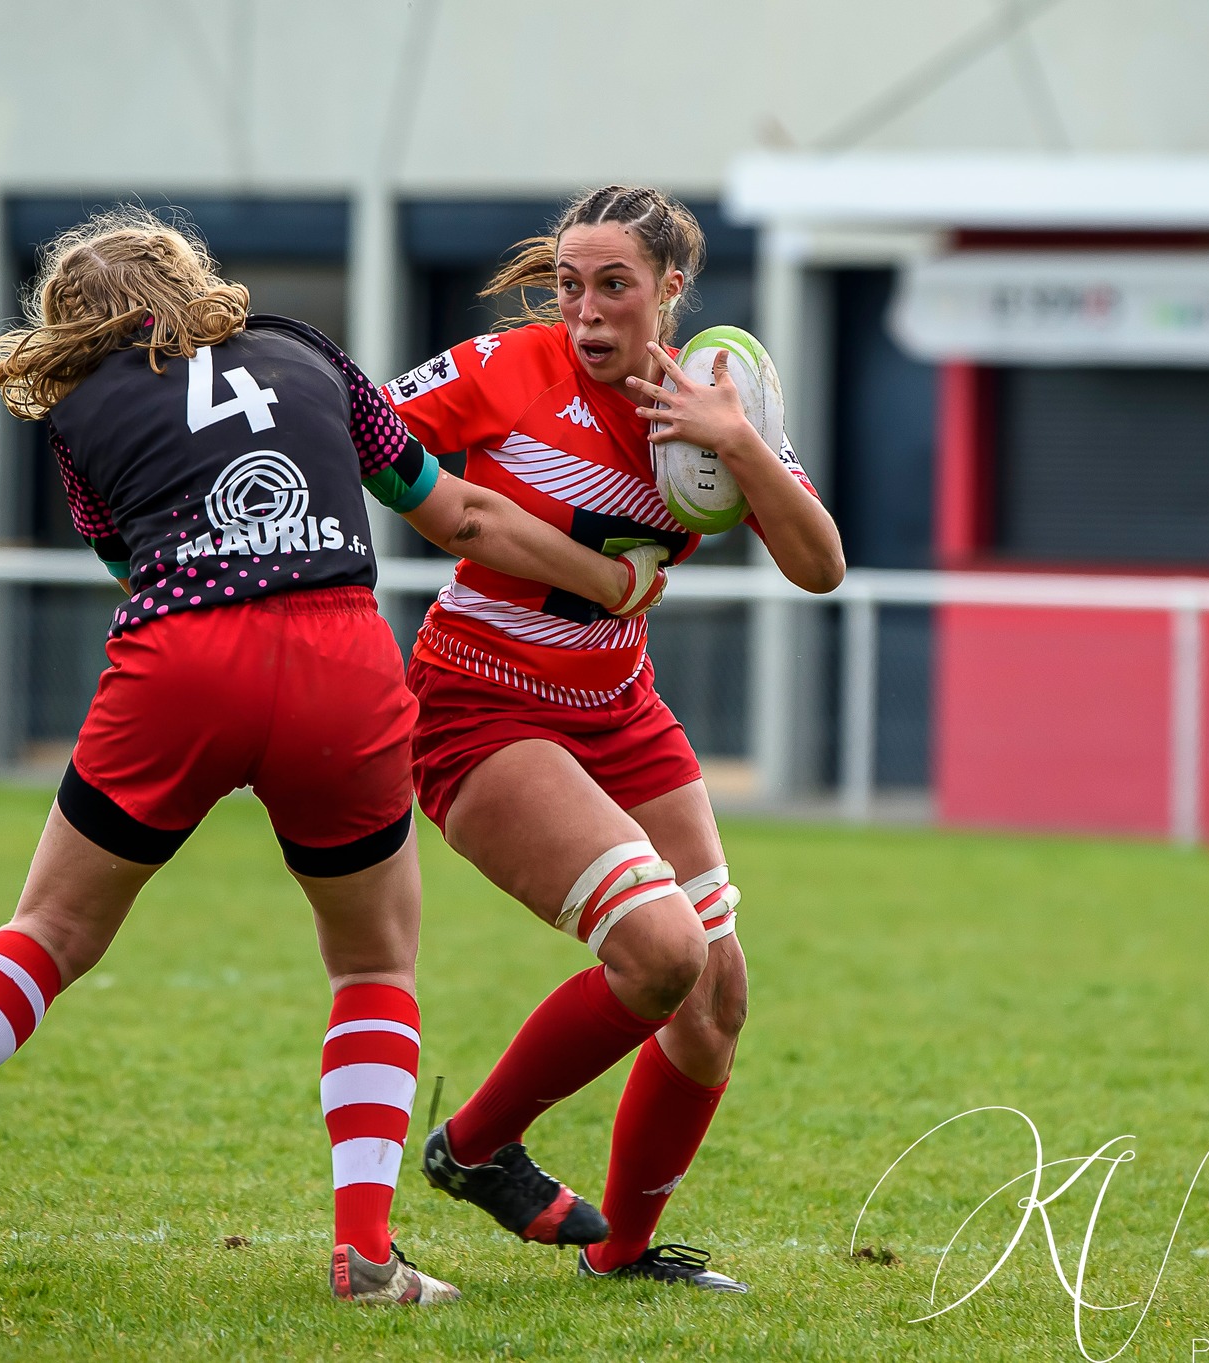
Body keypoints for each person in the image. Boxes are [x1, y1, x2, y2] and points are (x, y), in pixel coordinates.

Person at [0, 206, 669, 1306]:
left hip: (181, 657)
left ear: (70, 326)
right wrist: (612, 582)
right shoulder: (305, 350)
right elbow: (452, 510)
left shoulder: (77, 412)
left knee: (47, 929)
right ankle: (366, 1254)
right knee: (371, 965)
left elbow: (125, 555)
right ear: (190, 276)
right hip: (342, 659)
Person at [383, 185, 845, 1292]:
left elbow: (820, 565)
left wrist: (739, 444)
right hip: (480, 704)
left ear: (669, 291)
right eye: (567, 285)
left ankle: (621, 1253)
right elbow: (367, 444)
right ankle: (476, 1146)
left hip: (620, 711)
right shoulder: (496, 368)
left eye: (612, 286)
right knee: (660, 952)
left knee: (716, 996)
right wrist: (565, 560)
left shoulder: (713, 399)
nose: (583, 312)